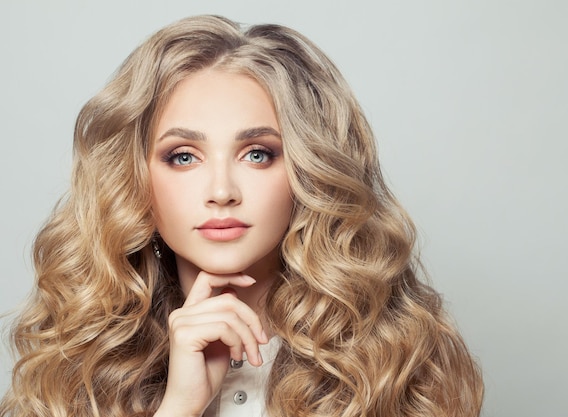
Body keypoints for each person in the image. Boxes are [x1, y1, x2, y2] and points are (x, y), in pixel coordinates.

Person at [0, 15, 483, 417]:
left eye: (257, 154)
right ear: (133, 179)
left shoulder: (399, 360)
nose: (221, 192)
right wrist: (180, 406)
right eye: (183, 156)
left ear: (309, 170)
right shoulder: (75, 369)